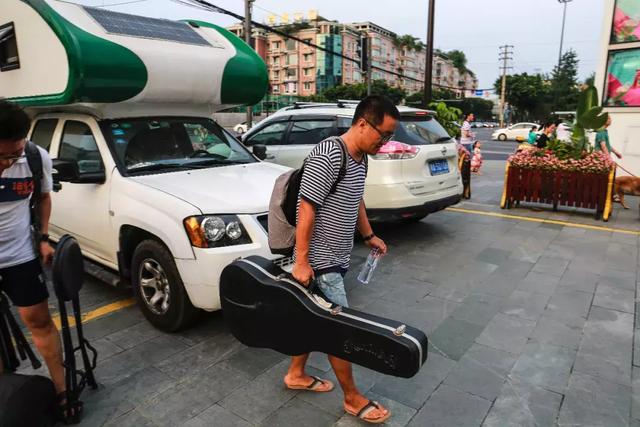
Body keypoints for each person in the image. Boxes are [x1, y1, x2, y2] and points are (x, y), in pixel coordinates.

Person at [284, 95, 394, 424]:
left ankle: (295, 374)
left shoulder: (361, 158)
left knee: (310, 320)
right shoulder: (330, 153)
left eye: (389, 137)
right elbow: (307, 207)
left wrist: (368, 235)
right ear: (363, 123)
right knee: (339, 331)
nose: (385, 142)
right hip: (320, 261)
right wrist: (302, 261)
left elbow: (355, 196)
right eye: (383, 134)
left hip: (337, 256)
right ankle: (352, 397)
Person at [0, 101, 68, 419]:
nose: (7, 164)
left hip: (19, 256)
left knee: (39, 321)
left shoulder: (35, 157)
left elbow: (43, 197)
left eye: (12, 156)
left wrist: (43, 238)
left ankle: (62, 391)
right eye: (1, 156)